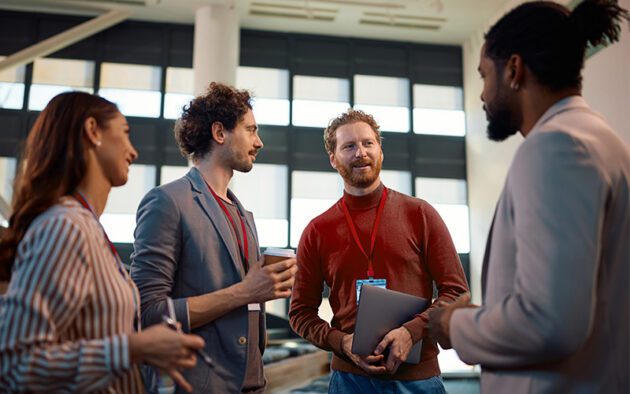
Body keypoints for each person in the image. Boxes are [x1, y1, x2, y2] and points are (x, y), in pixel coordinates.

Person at [427, 1, 630, 393]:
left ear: (515, 70)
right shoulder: (603, 141)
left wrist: (454, 324)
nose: (483, 95)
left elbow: (549, 321)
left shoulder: (557, 147)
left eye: (485, 75)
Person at [0, 92, 205, 393]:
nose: (133, 152)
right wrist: (131, 349)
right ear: (92, 130)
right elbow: (15, 365)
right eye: (124, 132)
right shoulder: (65, 226)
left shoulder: (85, 227)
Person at [130, 82, 297, 393]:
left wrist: (267, 285)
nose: (259, 142)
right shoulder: (168, 202)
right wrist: (245, 292)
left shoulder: (243, 214)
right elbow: (147, 313)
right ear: (220, 133)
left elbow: (248, 297)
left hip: (252, 384)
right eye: (251, 130)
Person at [289, 109, 469, 393]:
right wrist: (342, 343)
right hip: (349, 380)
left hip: (418, 379)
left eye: (368, 143)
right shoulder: (317, 230)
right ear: (333, 159)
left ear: (380, 151)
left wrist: (411, 332)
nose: (360, 152)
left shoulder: (420, 214)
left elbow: (456, 291)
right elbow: (300, 312)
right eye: (349, 146)